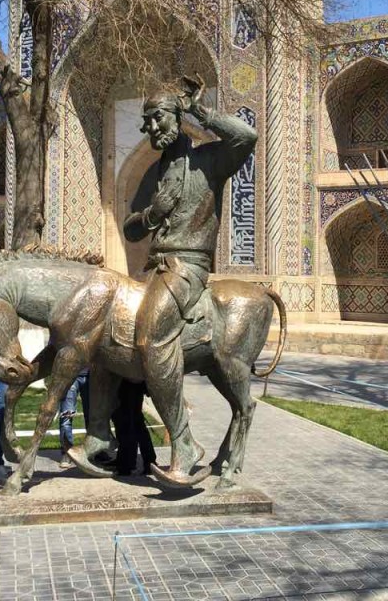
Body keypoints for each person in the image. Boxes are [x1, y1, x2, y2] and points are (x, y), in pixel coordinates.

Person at [122, 74, 256, 485]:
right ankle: (98, 438)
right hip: (155, 268)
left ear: (177, 115)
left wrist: (202, 111)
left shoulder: (209, 161)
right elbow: (130, 228)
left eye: (157, 118)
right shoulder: (154, 174)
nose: (150, 129)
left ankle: (184, 444)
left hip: (187, 267)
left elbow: (247, 137)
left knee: (149, 338)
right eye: (146, 123)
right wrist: (150, 215)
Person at [112, 378, 156, 476]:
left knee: (128, 423)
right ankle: (148, 461)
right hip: (132, 383)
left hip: (128, 382)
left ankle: (127, 464)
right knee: (135, 422)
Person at [58, 367, 90, 469]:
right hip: (69, 375)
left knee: (93, 416)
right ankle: (67, 452)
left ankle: (94, 451)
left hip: (93, 375)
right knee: (66, 416)